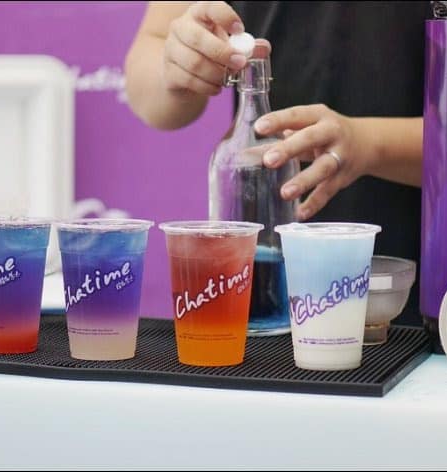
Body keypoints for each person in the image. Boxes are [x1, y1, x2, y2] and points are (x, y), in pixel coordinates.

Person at [124, 1, 429, 326]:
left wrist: (369, 143)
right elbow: (151, 65)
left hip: (421, 295)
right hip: (265, 315)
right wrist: (177, 64)